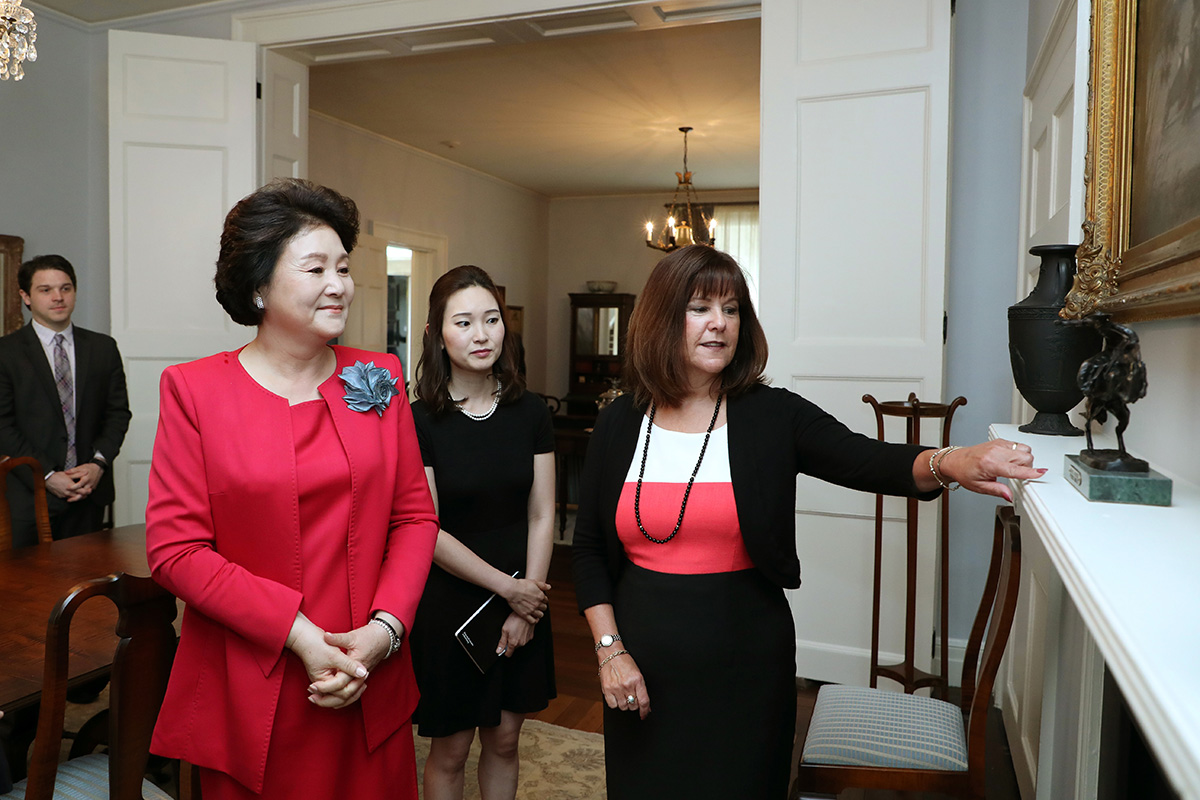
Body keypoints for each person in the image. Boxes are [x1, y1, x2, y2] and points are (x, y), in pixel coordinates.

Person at [571, 245, 1043, 799]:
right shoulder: (618, 423)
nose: (720, 323)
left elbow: (869, 459)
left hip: (746, 663)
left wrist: (953, 459)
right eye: (700, 308)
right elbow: (589, 550)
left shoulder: (773, 415)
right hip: (640, 664)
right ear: (661, 319)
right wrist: (610, 652)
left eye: (732, 308)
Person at [144, 178, 439, 799]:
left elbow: (414, 518)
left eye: (343, 267)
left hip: (368, 671)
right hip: (252, 682)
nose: (339, 284)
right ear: (259, 286)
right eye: (315, 268)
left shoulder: (377, 376)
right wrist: (302, 636)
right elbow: (176, 553)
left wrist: (386, 631)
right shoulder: (194, 391)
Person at [409, 265, 557, 800]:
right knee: (449, 749)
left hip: (525, 595)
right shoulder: (420, 419)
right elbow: (428, 527)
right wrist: (507, 589)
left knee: (506, 739)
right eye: (465, 322)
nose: (481, 334)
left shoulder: (531, 412)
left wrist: (526, 604)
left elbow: (543, 514)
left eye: (491, 320)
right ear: (437, 334)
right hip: (452, 602)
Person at [0, 255, 131, 546]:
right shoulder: (6, 353)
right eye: (45, 290)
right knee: (29, 587)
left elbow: (118, 414)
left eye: (66, 288)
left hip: (89, 492)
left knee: (88, 585)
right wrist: (47, 475)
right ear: (26, 296)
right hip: (28, 494)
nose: (58, 297)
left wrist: (97, 464)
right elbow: (2, 425)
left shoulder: (103, 348)